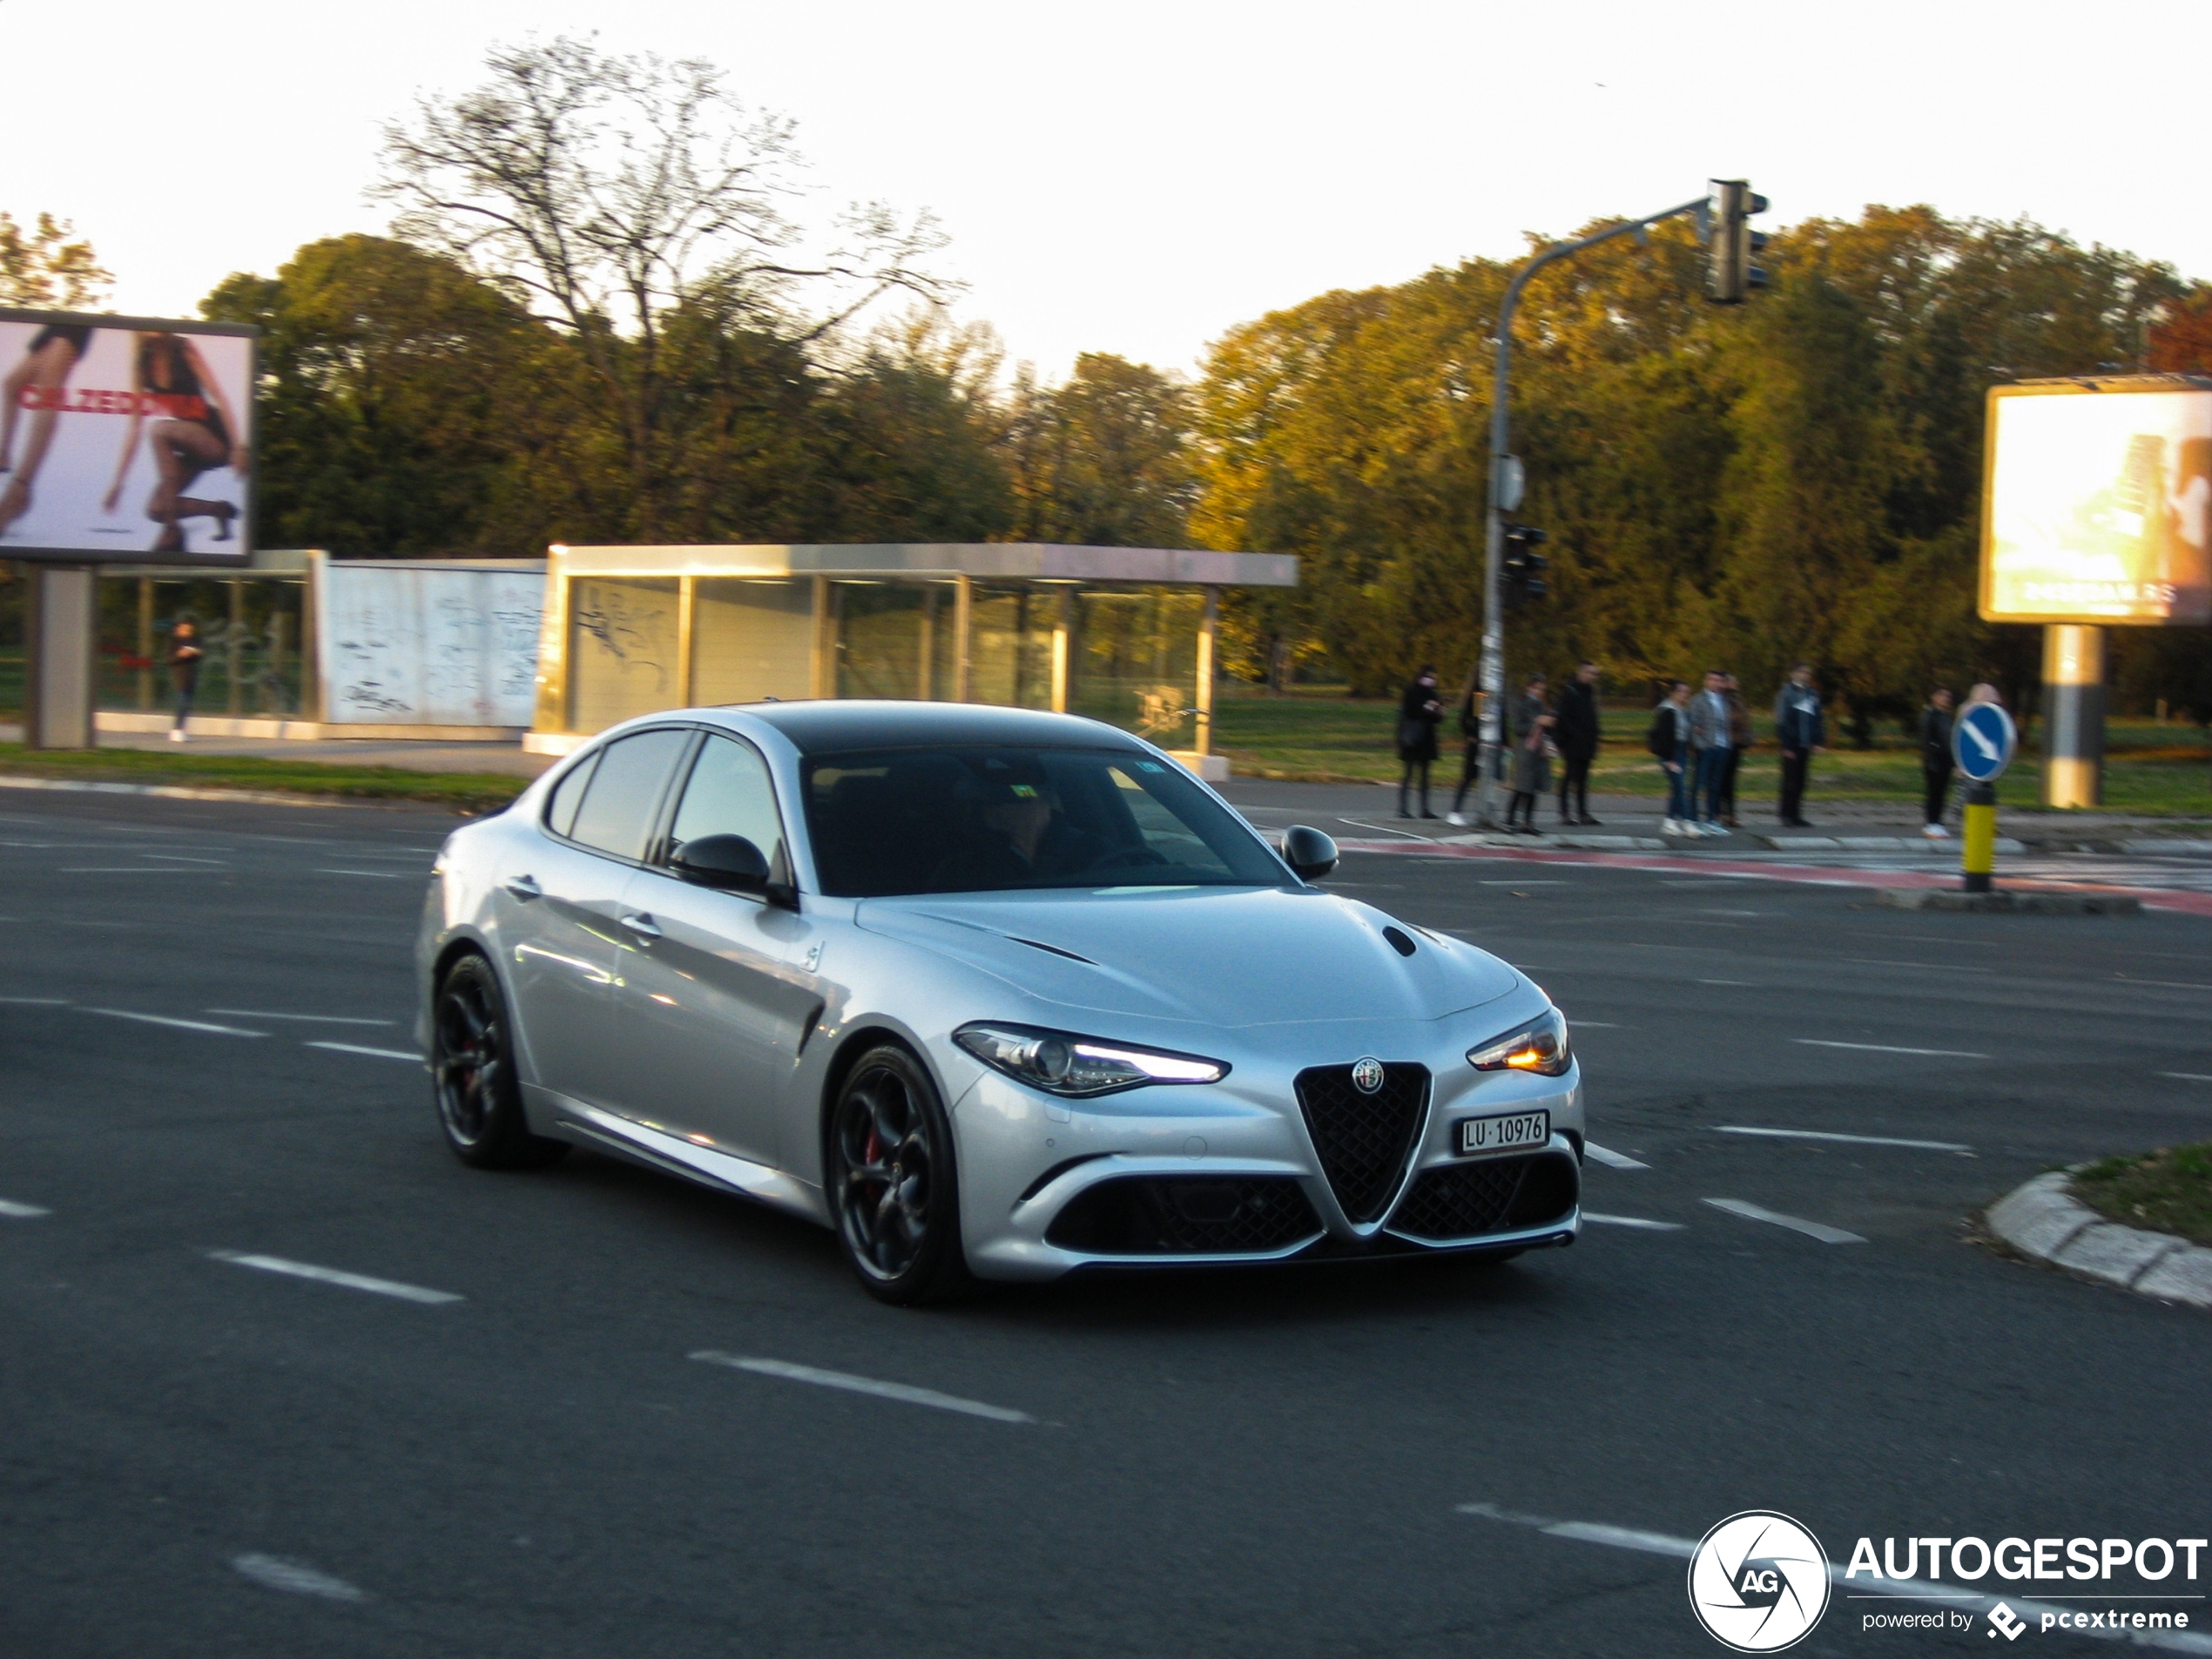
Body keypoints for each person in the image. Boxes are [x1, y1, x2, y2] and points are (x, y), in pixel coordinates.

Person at [103, 332, 248, 554]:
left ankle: (173, 531)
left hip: (213, 435)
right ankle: (219, 509)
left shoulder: (183, 348)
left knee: (159, 430)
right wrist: (118, 483)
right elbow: (134, 427)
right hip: (188, 445)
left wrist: (238, 447)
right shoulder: (142, 366)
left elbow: (218, 394)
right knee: (156, 508)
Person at [0, 322, 91, 533]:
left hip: (76, 321)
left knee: (48, 394)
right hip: (60, 319)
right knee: (12, 384)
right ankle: (4, 454)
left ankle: (20, 488)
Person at [1773, 663, 1826, 827]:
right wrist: (1787, 745)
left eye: (1807, 673)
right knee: (1790, 781)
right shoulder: (1786, 694)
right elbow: (1782, 721)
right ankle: (1786, 814)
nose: (1805, 675)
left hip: (1805, 744)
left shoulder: (1812, 694)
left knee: (1801, 781)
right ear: (1793, 674)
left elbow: (1817, 719)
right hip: (1792, 744)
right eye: (1801, 672)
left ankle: (1796, 814)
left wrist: (1818, 741)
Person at [1503, 673, 1554, 834]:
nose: (1539, 692)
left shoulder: (1541, 705)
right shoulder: (1522, 704)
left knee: (1533, 788)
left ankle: (1527, 822)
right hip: (1525, 750)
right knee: (1522, 787)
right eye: (1536, 688)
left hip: (1538, 750)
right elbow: (1518, 728)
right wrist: (1537, 722)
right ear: (1529, 688)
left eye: (1542, 689)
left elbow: (1546, 727)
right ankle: (1510, 819)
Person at [1553, 661, 1602, 826]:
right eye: (1589, 673)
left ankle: (1582, 812)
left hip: (1587, 742)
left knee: (1583, 779)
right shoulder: (1570, 692)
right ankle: (1565, 812)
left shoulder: (1589, 692)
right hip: (1573, 743)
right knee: (1570, 776)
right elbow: (1563, 718)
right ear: (1581, 673)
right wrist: (1574, 735)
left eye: (1594, 674)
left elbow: (1591, 717)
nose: (1592, 677)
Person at [1687, 669, 1734, 834]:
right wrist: (1701, 745)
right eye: (1712, 679)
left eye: (1719, 680)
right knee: (1698, 784)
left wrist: (1727, 745)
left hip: (1721, 747)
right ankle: (1692, 819)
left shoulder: (1723, 701)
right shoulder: (1699, 700)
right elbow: (1694, 725)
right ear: (1706, 681)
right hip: (1706, 748)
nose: (1716, 683)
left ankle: (1712, 820)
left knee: (1715, 786)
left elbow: (1726, 724)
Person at [1395, 664, 1443, 819]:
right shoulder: (1412, 692)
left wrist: (1439, 711)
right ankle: (1403, 808)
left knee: (1424, 776)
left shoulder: (1432, 694)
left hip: (1426, 739)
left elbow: (1436, 718)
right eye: (1428, 677)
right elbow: (1411, 711)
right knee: (1408, 774)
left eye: (1433, 678)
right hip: (1413, 739)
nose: (1430, 680)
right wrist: (1429, 707)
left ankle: (1424, 809)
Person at [1648, 680, 1693, 834]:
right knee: (1680, 786)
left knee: (1677, 788)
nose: (1685, 696)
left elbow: (1685, 732)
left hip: (1681, 750)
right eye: (1682, 692)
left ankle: (1670, 821)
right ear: (1674, 693)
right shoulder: (1667, 710)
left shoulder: (1684, 711)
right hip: (1670, 752)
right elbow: (1664, 737)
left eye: (1687, 693)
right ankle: (1687, 821)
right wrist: (1669, 759)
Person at [1919, 685, 1956, 839]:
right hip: (1934, 760)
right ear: (1934, 697)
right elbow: (1926, 740)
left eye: (1948, 696)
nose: (1946, 699)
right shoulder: (1930, 716)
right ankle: (1931, 823)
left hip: (1946, 760)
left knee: (1942, 793)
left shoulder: (1947, 716)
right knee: (1933, 793)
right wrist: (1931, 760)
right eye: (1942, 695)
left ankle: (1938, 823)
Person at [1716, 671, 1752, 828]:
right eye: (1732, 682)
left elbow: (1743, 717)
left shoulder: (1736, 698)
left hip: (1736, 742)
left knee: (1730, 780)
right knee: (1721, 779)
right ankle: (1718, 813)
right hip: (1725, 742)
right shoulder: (1723, 698)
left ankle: (1730, 814)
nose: (1734, 685)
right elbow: (1731, 718)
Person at [1447, 670, 1481, 825]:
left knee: (1489, 780)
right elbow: (1468, 718)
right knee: (1468, 777)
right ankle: (1455, 811)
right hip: (1478, 744)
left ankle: (1485, 813)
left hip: (1491, 744)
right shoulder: (1479, 696)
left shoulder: (1495, 695)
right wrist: (1471, 735)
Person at [168, 618, 205, 742]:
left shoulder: (194, 641)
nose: (188, 632)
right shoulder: (173, 642)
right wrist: (180, 655)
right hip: (179, 676)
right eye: (185, 629)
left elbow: (200, 654)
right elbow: (169, 660)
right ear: (178, 629)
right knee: (182, 703)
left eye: (190, 630)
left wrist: (196, 653)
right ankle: (177, 729)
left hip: (191, 676)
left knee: (187, 704)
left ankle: (181, 729)